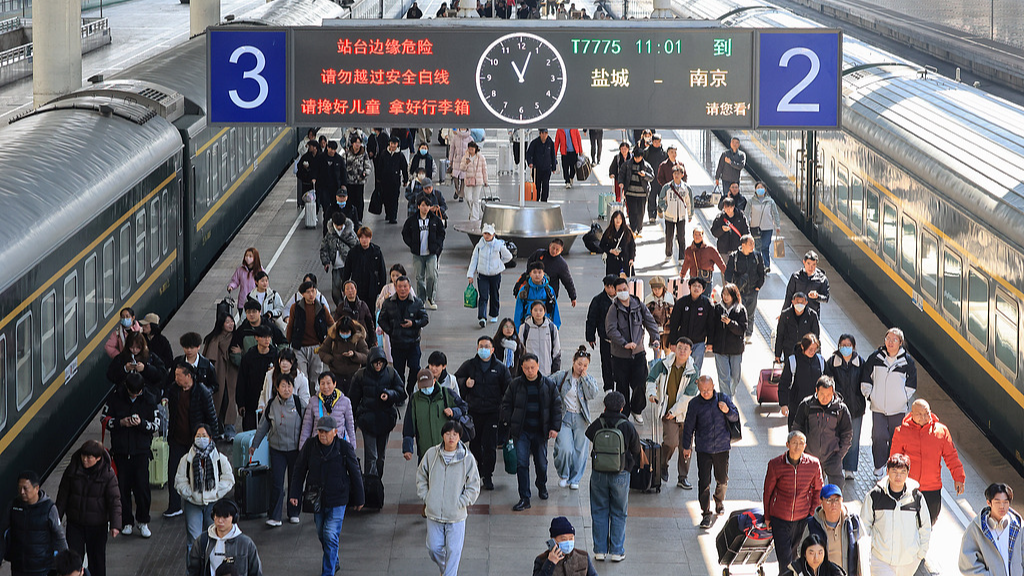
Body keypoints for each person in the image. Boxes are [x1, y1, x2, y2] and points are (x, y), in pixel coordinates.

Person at [290, 416, 365, 576]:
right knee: (321, 533)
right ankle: (334, 558)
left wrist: (360, 498)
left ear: (335, 432)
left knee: (330, 534)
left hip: (338, 498)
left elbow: (355, 473)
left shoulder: (344, 448)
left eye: (326, 432)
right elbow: (299, 470)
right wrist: (294, 493)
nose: (322, 435)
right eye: (320, 432)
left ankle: (328, 572)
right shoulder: (310, 446)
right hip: (316, 498)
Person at [416, 421, 482, 576]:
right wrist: (427, 497)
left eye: (455, 434)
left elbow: (474, 485)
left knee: (454, 551)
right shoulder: (431, 454)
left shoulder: (467, 459)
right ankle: (446, 569)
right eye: (448, 434)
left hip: (456, 516)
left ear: (460, 437)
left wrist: (462, 502)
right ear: (443, 436)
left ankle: (449, 573)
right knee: (433, 548)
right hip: (433, 513)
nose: (451, 437)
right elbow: (421, 476)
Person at [501, 354, 562, 511]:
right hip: (522, 432)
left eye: (532, 367)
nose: (530, 371)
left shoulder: (548, 385)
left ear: (538, 366)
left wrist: (554, 428)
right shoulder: (515, 385)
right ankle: (524, 497)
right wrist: (510, 420)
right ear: (522, 368)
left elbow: (556, 406)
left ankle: (541, 485)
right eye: (526, 368)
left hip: (540, 431)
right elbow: (506, 404)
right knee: (522, 464)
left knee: (541, 464)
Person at [889, 399, 966, 525]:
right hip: (909, 488)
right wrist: (891, 484)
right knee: (909, 525)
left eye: (927, 413)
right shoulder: (901, 432)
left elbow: (951, 456)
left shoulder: (941, 431)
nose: (924, 417)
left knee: (928, 525)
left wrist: (959, 477)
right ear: (912, 414)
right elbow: (894, 460)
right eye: (920, 414)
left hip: (932, 489)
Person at [584, 391, 640, 561]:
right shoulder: (627, 425)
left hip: (599, 473)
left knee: (599, 510)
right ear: (622, 407)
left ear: (605, 406)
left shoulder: (598, 423)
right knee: (619, 512)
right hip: (620, 473)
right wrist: (628, 466)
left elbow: (589, 434)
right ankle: (617, 551)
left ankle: (599, 550)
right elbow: (636, 449)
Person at [102, 373, 157, 539]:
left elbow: (155, 424)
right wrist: (121, 422)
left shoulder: (149, 399)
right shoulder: (115, 398)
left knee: (142, 488)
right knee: (121, 489)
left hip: (140, 451)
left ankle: (143, 520)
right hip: (120, 451)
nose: (134, 395)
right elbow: (104, 419)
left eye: (137, 393)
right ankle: (126, 521)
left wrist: (141, 424)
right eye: (132, 393)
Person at [681, 376, 739, 529]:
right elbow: (689, 426)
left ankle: (719, 501)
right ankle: (706, 513)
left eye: (708, 389)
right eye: (702, 390)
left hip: (721, 447)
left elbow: (735, 416)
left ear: (713, 386)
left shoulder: (723, 398)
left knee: (722, 479)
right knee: (704, 482)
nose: (705, 393)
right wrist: (686, 446)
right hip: (704, 448)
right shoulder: (695, 404)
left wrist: (726, 410)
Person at [455, 337, 513, 490]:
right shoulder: (470, 365)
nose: (484, 349)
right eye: (481, 346)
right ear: (477, 348)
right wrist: (465, 384)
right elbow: (455, 382)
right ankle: (475, 473)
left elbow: (509, 389)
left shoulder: (500, 368)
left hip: (492, 413)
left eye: (487, 346)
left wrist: (504, 409)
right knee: (474, 445)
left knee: (489, 446)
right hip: (474, 412)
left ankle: (488, 475)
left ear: (492, 349)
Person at [55, 441, 120, 576]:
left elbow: (114, 500)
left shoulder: (107, 474)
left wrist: (115, 524)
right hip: (75, 523)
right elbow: (63, 495)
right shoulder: (72, 470)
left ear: (98, 458)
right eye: (83, 456)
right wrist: (57, 519)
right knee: (73, 559)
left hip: (98, 525)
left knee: (97, 560)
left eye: (89, 457)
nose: (85, 460)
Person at [764, 431, 824, 576]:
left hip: (802, 518)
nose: (798, 447)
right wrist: (767, 516)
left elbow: (818, 489)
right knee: (785, 559)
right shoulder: (775, 464)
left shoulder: (813, 464)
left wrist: (811, 512)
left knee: (795, 556)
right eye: (794, 443)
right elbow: (768, 492)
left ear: (805, 446)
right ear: (787, 445)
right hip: (780, 518)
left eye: (801, 443)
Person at [861, 453, 931, 576]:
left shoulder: (917, 498)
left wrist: (920, 555)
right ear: (887, 471)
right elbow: (864, 526)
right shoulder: (875, 495)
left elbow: (925, 527)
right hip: (880, 559)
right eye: (894, 471)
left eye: (903, 471)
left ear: (908, 473)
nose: (898, 476)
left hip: (909, 562)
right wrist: (868, 552)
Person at [861, 327, 918, 479]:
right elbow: (866, 377)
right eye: (888, 339)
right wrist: (871, 395)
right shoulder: (876, 357)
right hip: (878, 407)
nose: (890, 342)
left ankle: (893, 466)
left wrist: (901, 398)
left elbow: (911, 385)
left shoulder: (907, 362)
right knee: (878, 436)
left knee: (896, 439)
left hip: (898, 409)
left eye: (894, 340)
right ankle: (879, 466)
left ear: (900, 343)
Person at [164, 364, 219, 518]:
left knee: (198, 471)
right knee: (173, 472)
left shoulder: (202, 391)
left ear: (188, 376)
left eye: (178, 375)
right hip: (177, 438)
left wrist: (210, 438)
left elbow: (212, 417)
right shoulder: (174, 390)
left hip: (196, 440)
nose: (175, 378)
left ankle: (200, 501)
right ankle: (174, 506)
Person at [251, 373, 305, 526]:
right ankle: (275, 516)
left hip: (296, 450)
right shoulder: (271, 405)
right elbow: (263, 427)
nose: (286, 389)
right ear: (277, 388)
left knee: (295, 481)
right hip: (277, 449)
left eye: (289, 386)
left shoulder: (299, 403)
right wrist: (254, 445)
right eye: (283, 386)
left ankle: (294, 512)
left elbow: (307, 425)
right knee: (277, 482)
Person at [646, 337, 699, 489]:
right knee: (671, 442)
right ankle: (663, 463)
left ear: (690, 352)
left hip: (686, 414)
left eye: (686, 349)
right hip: (667, 413)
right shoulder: (663, 365)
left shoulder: (693, 371)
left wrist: (674, 411)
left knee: (686, 446)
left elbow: (689, 396)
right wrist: (651, 394)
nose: (682, 351)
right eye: (680, 347)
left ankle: (683, 477)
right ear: (675, 348)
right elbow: (651, 380)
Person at [606, 276, 661, 419]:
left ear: (628, 289)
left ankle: (637, 409)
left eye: (624, 289)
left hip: (638, 353)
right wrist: (624, 343)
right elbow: (611, 330)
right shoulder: (613, 309)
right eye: (619, 290)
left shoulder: (638, 305)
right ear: (615, 292)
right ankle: (623, 413)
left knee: (640, 383)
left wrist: (655, 338)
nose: (623, 292)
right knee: (622, 386)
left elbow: (650, 322)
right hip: (620, 356)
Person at [349, 347, 407, 477]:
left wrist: (389, 394)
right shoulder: (361, 375)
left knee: (381, 456)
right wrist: (354, 419)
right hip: (367, 420)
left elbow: (402, 393)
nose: (378, 365)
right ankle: (370, 482)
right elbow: (353, 399)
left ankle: (377, 482)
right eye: (375, 362)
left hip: (385, 419)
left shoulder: (391, 373)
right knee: (371, 456)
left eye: (381, 362)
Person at [174, 424, 234, 551]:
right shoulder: (186, 459)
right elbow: (179, 481)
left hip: (213, 504)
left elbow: (229, 478)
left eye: (204, 436)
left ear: (210, 438)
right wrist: (191, 494)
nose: (201, 439)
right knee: (193, 541)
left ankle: (211, 569)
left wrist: (216, 492)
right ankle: (193, 570)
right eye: (198, 436)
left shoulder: (219, 458)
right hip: (192, 504)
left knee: (214, 538)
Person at [551, 347, 600, 490]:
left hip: (581, 418)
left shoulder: (588, 379)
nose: (581, 368)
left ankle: (575, 478)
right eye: (579, 364)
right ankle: (564, 474)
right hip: (564, 417)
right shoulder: (562, 376)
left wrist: (584, 377)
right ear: (573, 361)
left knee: (580, 450)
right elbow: (546, 384)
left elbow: (592, 394)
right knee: (565, 448)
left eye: (585, 365)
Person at [1, 471, 67, 576]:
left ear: (36, 488)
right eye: (19, 488)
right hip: (19, 566)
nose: (22, 492)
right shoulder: (13, 505)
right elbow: (2, 532)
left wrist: (64, 564)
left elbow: (59, 537)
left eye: (25, 488)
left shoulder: (49, 508)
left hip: (41, 568)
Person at [792, 376, 853, 489]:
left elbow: (847, 434)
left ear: (833, 393)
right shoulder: (806, 405)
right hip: (810, 456)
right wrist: (800, 450)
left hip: (833, 457)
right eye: (822, 395)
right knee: (809, 490)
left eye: (828, 395)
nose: (825, 398)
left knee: (835, 491)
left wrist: (839, 454)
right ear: (816, 391)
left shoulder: (840, 409)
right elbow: (797, 428)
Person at [824, 334, 866, 480]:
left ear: (853, 347)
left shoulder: (860, 362)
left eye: (848, 345)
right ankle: (836, 465)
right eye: (843, 345)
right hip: (837, 408)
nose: (845, 348)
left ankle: (850, 468)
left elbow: (866, 381)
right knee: (836, 437)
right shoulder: (831, 362)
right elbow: (827, 382)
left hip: (856, 408)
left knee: (853, 439)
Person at [402, 369, 469, 461]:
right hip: (425, 452)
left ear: (434, 381)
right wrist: (407, 448)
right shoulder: (415, 400)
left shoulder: (446, 394)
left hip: (447, 450)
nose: (425, 389)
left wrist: (453, 412)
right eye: (423, 387)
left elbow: (464, 407)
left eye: (428, 385)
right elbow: (409, 425)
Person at [378, 275, 430, 393]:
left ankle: (410, 389)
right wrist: (391, 331)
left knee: (415, 367)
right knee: (398, 371)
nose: (402, 289)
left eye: (405, 286)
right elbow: (381, 319)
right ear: (395, 287)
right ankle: (400, 393)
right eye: (400, 286)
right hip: (397, 343)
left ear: (409, 287)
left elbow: (425, 319)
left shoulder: (417, 303)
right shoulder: (388, 303)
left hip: (413, 343)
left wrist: (414, 323)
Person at [959, 483, 1024, 576]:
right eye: (997, 502)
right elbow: (967, 563)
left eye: (1005, 502)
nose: (1002, 506)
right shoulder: (976, 529)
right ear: (989, 502)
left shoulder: (1018, 528)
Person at [185, 499, 262, 576]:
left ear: (234, 518)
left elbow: (256, 572)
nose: (220, 521)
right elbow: (192, 570)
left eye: (225, 517)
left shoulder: (246, 543)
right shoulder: (203, 540)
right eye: (217, 516)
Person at [800, 485, 865, 576]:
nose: (833, 504)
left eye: (837, 500)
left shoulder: (853, 522)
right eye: (829, 500)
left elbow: (864, 549)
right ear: (821, 502)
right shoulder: (812, 525)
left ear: (842, 500)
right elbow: (801, 551)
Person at [286, 281, 333, 388]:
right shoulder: (296, 307)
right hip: (299, 347)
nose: (311, 294)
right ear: (302, 294)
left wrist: (328, 342)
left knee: (316, 376)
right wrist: (287, 343)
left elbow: (332, 324)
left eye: (313, 291)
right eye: (308, 292)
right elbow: (290, 326)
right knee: (302, 376)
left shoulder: (321, 307)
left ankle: (316, 401)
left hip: (317, 347)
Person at [403, 196, 446, 310]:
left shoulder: (435, 220)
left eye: (427, 205)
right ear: (418, 206)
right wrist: (412, 244)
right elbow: (405, 233)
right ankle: (421, 299)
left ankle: (431, 298)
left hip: (431, 254)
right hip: (418, 255)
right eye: (423, 205)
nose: (425, 208)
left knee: (432, 276)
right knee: (419, 277)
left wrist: (437, 247)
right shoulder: (412, 220)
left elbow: (442, 233)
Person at [467, 223, 514, 326]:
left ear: (493, 234)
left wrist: (500, 263)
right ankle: (482, 317)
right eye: (485, 233)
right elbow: (474, 260)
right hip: (482, 275)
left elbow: (508, 256)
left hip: (495, 275)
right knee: (483, 296)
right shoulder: (479, 246)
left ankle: (494, 314)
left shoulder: (498, 245)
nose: (487, 236)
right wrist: (470, 274)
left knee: (494, 294)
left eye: (489, 234)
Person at [667, 277, 716, 374]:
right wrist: (672, 342)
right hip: (683, 343)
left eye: (699, 286)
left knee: (695, 370)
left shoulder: (707, 304)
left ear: (703, 289)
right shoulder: (681, 302)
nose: (696, 288)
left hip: (699, 343)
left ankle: (693, 388)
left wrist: (710, 342)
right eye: (694, 286)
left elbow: (711, 325)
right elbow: (674, 323)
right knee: (680, 368)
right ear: (689, 287)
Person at [299, 372, 357, 451]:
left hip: (339, 446)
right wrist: (302, 449)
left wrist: (352, 448)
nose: (325, 387)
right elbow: (307, 426)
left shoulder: (345, 401)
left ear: (334, 384)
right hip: (318, 446)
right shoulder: (313, 401)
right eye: (322, 383)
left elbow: (350, 426)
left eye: (328, 383)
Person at [236, 326, 279, 432]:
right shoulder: (249, 357)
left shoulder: (276, 355)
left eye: (269, 337)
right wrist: (240, 403)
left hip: (269, 400)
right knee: (250, 432)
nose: (267, 340)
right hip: (251, 401)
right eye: (264, 337)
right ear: (256, 338)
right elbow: (242, 380)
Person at [203, 312, 239, 439]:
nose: (231, 324)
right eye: (227, 322)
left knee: (230, 399)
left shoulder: (236, 337)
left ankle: (229, 428)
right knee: (217, 399)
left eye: (232, 321)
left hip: (231, 373)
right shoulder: (213, 339)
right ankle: (216, 427)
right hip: (217, 373)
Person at [724, 236, 766, 343]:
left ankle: (748, 334)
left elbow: (761, 272)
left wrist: (758, 286)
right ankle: (738, 332)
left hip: (753, 290)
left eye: (753, 243)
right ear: (743, 245)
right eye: (750, 244)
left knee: (751, 313)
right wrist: (731, 286)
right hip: (738, 291)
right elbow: (728, 273)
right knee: (738, 312)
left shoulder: (757, 256)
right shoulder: (734, 257)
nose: (753, 246)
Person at [779, 334, 826, 428]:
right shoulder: (793, 361)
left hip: (816, 408)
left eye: (815, 349)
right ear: (802, 347)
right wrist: (784, 404)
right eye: (810, 349)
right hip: (796, 408)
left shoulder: (820, 361)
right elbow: (784, 383)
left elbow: (827, 381)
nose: (813, 352)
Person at [710, 283, 747, 396]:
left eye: (728, 294)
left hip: (735, 349)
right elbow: (711, 327)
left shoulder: (740, 310)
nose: (725, 297)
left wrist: (730, 323)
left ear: (734, 296)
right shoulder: (717, 309)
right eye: (724, 294)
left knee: (735, 376)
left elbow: (742, 329)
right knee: (723, 377)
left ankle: (730, 394)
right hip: (720, 349)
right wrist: (710, 343)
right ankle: (726, 400)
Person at [317, 316, 369, 397]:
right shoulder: (332, 337)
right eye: (342, 332)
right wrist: (331, 360)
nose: (344, 334)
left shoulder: (358, 339)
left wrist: (354, 355)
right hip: (336, 375)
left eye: (347, 332)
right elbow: (322, 351)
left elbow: (366, 356)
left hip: (353, 375)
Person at [533, 516, 599, 575]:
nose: (568, 542)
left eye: (571, 538)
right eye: (564, 539)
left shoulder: (583, 556)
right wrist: (550, 563)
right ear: (553, 540)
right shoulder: (541, 560)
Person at [320, 212, 359, 309]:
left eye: (341, 225)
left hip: (349, 266)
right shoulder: (329, 235)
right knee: (336, 289)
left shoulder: (350, 233)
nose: (339, 228)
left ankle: (351, 306)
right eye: (337, 225)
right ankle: (341, 307)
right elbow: (324, 248)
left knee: (349, 287)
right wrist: (326, 262)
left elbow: (356, 247)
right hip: (336, 266)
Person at [344, 227, 388, 307]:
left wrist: (381, 288)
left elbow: (382, 271)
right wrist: (345, 285)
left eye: (366, 237)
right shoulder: (353, 253)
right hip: (358, 287)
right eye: (362, 237)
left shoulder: (376, 252)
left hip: (372, 287)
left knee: (372, 309)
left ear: (370, 238)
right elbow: (347, 270)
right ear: (359, 238)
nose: (364, 240)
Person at [526, 238, 578, 306]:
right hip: (533, 289)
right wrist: (529, 274)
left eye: (557, 250)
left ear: (561, 250)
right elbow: (530, 262)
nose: (554, 251)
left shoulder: (561, 264)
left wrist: (573, 297)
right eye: (553, 248)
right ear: (550, 246)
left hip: (549, 294)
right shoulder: (539, 254)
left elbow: (567, 281)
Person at [170, 331, 218, 404]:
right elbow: (170, 380)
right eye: (186, 347)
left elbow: (215, 385)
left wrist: (205, 392)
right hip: (181, 401)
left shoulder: (206, 364)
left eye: (192, 347)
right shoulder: (178, 362)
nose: (189, 350)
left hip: (201, 402)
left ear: (198, 347)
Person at [617, 147, 655, 236]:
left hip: (642, 193)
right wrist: (621, 183)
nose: (637, 159)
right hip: (630, 192)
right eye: (636, 157)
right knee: (632, 211)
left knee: (640, 212)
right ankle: (633, 228)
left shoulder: (646, 165)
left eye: (639, 157)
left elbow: (652, 177)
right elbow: (621, 174)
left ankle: (639, 227)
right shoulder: (627, 165)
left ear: (642, 157)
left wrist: (644, 175)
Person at [658, 165, 693, 259]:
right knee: (669, 237)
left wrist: (690, 214)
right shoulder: (667, 187)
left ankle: (682, 257)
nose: (676, 175)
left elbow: (689, 202)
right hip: (669, 216)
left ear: (682, 175)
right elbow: (661, 200)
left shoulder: (686, 188)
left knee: (681, 237)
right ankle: (668, 254)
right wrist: (665, 208)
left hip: (681, 216)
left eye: (678, 173)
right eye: (674, 173)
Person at [775, 293, 821, 362]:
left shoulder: (812, 316)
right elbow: (780, 335)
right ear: (792, 302)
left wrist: (817, 352)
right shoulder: (785, 315)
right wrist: (777, 354)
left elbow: (816, 336)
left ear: (806, 302)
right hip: (789, 351)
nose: (799, 304)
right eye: (797, 301)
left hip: (806, 352)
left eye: (802, 302)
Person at [514, 261, 562, 330]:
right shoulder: (524, 290)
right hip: (528, 325)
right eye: (534, 272)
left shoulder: (549, 290)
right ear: (530, 274)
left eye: (539, 272)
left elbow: (555, 308)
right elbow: (518, 310)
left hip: (545, 324)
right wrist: (517, 329)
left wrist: (556, 327)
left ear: (543, 273)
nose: (537, 275)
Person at [521, 301, 562, 376]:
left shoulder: (552, 328)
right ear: (531, 311)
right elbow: (520, 349)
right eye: (535, 310)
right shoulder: (524, 328)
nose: (538, 313)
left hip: (546, 371)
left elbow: (557, 349)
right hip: (529, 371)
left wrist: (555, 369)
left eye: (540, 310)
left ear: (544, 311)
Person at [749, 181, 782, 270]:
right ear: (755, 190)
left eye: (761, 187)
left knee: (765, 246)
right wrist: (747, 225)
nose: (760, 189)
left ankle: (766, 265)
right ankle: (759, 265)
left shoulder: (770, 202)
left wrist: (777, 226)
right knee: (757, 247)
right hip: (755, 227)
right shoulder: (751, 201)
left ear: (765, 189)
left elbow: (775, 214)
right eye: (758, 187)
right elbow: (746, 213)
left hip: (768, 228)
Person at [379, 136, 410, 223]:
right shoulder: (384, 154)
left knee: (394, 198)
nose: (393, 145)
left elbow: (404, 168)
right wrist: (378, 179)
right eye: (392, 143)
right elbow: (380, 167)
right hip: (385, 181)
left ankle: (393, 216)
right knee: (386, 198)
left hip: (395, 181)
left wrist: (405, 179)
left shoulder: (400, 155)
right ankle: (388, 213)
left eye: (395, 144)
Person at [226, 248, 264, 316]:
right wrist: (231, 286)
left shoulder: (260, 271)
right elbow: (235, 281)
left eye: (250, 256)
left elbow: (264, 284)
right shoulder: (240, 270)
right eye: (246, 255)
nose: (247, 258)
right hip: (242, 302)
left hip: (256, 302)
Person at [644, 275, 674, 356]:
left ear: (663, 288)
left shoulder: (671, 299)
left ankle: (667, 368)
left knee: (668, 353)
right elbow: (645, 317)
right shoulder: (648, 300)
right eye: (654, 289)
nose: (657, 291)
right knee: (657, 354)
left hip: (668, 330)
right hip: (655, 330)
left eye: (659, 289)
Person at [599, 210, 636, 277]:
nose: (618, 220)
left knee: (623, 283)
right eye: (616, 218)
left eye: (620, 218)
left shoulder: (627, 231)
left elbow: (632, 246)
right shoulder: (609, 231)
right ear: (613, 219)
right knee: (613, 282)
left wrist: (631, 259)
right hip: (612, 262)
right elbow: (602, 245)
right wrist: (610, 250)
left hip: (624, 261)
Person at [459, 141, 489, 221]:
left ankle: (474, 217)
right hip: (468, 180)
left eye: (472, 149)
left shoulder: (481, 158)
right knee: (468, 198)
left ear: (476, 149)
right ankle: (473, 212)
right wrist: (466, 163)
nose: (471, 151)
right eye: (469, 149)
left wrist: (486, 181)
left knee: (475, 199)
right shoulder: (466, 157)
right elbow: (462, 168)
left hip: (478, 180)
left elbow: (484, 170)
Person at [344, 135, 371, 221]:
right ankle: (350, 218)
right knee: (350, 200)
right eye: (356, 143)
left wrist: (364, 174)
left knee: (359, 201)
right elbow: (342, 166)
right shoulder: (347, 153)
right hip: (349, 182)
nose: (358, 145)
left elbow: (368, 167)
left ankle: (359, 218)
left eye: (359, 143)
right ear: (352, 144)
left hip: (359, 182)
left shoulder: (364, 154)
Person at [526, 128, 557, 202]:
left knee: (546, 185)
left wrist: (553, 167)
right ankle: (536, 200)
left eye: (546, 133)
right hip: (537, 169)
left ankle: (544, 201)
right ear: (540, 134)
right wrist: (530, 162)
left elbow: (553, 155)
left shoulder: (550, 143)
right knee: (537, 186)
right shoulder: (535, 143)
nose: (544, 135)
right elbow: (529, 154)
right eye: (543, 133)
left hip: (547, 169)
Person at [643, 134, 669, 221]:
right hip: (651, 179)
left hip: (661, 179)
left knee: (662, 198)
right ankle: (652, 216)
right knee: (651, 198)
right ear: (652, 142)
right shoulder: (647, 152)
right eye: (655, 142)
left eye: (658, 142)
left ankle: (660, 209)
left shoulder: (664, 153)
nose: (657, 144)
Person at [447, 128, 473, 202]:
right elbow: (452, 149)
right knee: (455, 176)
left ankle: (461, 194)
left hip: (465, 161)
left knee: (463, 178)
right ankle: (456, 190)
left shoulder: (470, 139)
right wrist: (450, 160)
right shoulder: (455, 138)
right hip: (456, 160)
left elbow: (473, 151)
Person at [296, 140, 321, 210]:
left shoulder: (320, 157)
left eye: (310, 146)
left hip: (318, 182)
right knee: (308, 199)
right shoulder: (306, 156)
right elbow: (299, 166)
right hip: (307, 182)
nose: (309, 148)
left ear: (315, 147)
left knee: (317, 198)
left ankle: (316, 211)